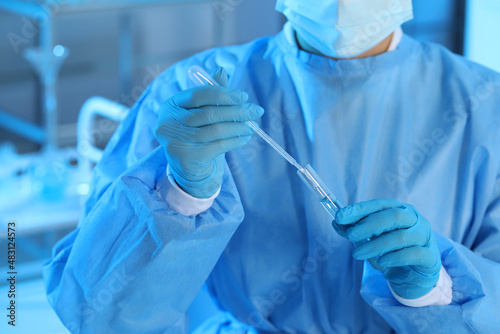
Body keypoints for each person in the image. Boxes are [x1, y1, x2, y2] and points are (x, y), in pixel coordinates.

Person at [44, 0, 500, 333]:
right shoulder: (189, 96)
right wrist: (181, 193)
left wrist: (434, 289)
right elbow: (99, 316)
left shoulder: (484, 105)